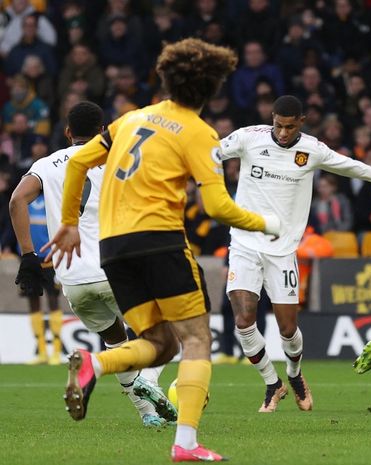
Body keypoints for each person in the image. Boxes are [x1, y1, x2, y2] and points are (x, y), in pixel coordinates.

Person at [42, 38, 280, 463]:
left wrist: (69, 223)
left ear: (166, 79)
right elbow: (217, 207)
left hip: (113, 248)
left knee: (160, 342)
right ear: (210, 90)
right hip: (159, 240)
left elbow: (78, 163)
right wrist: (266, 223)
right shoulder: (198, 132)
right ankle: (186, 444)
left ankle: (93, 365)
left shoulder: (128, 120)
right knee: (196, 339)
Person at [10, 101, 175, 427]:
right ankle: (146, 382)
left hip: (72, 279)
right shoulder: (117, 159)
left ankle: (148, 415)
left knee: (117, 343)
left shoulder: (47, 164)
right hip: (114, 268)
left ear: (68, 132)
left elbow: (17, 200)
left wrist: (29, 255)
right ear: (103, 130)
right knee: (168, 336)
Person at [219, 95, 371, 413]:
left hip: (282, 252)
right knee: (243, 320)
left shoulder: (312, 149)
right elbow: (208, 153)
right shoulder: (249, 138)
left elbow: (353, 168)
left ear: (301, 123)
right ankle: (271, 383)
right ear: (272, 119)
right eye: (278, 125)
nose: (282, 133)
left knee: (287, 329)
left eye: (289, 127)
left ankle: (293, 374)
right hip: (244, 244)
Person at [11, 188, 63, 365]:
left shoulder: (53, 199)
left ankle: (56, 351)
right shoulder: (22, 200)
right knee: (33, 301)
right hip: (30, 261)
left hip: (51, 260)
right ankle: (41, 351)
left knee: (53, 300)